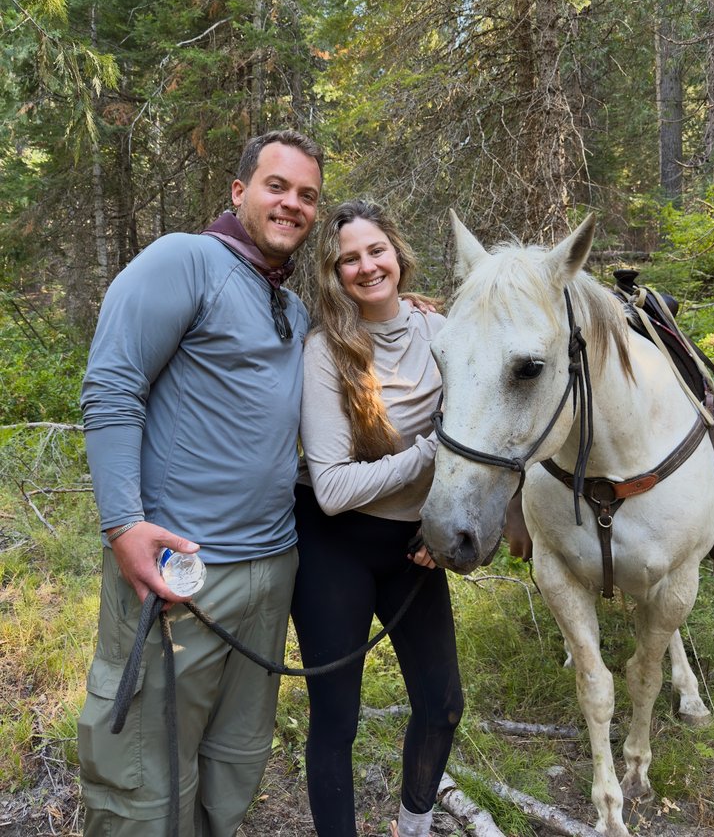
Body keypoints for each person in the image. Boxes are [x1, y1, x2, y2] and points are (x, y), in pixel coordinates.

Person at [77, 129, 323, 837]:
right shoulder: (185, 259)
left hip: (270, 571)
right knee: (145, 775)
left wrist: (407, 311)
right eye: (277, 186)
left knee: (234, 760)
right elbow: (112, 386)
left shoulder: (292, 308)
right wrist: (123, 524)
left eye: (307, 195)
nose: (293, 203)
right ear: (239, 191)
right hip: (178, 570)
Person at [291, 199, 464, 837]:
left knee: (443, 704)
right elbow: (333, 489)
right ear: (333, 273)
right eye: (349, 260)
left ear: (397, 253)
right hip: (334, 543)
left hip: (413, 545)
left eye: (376, 251)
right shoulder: (325, 350)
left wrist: (438, 522)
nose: (366, 267)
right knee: (337, 720)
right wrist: (429, 450)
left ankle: (412, 827)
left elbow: (481, 438)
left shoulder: (443, 332)